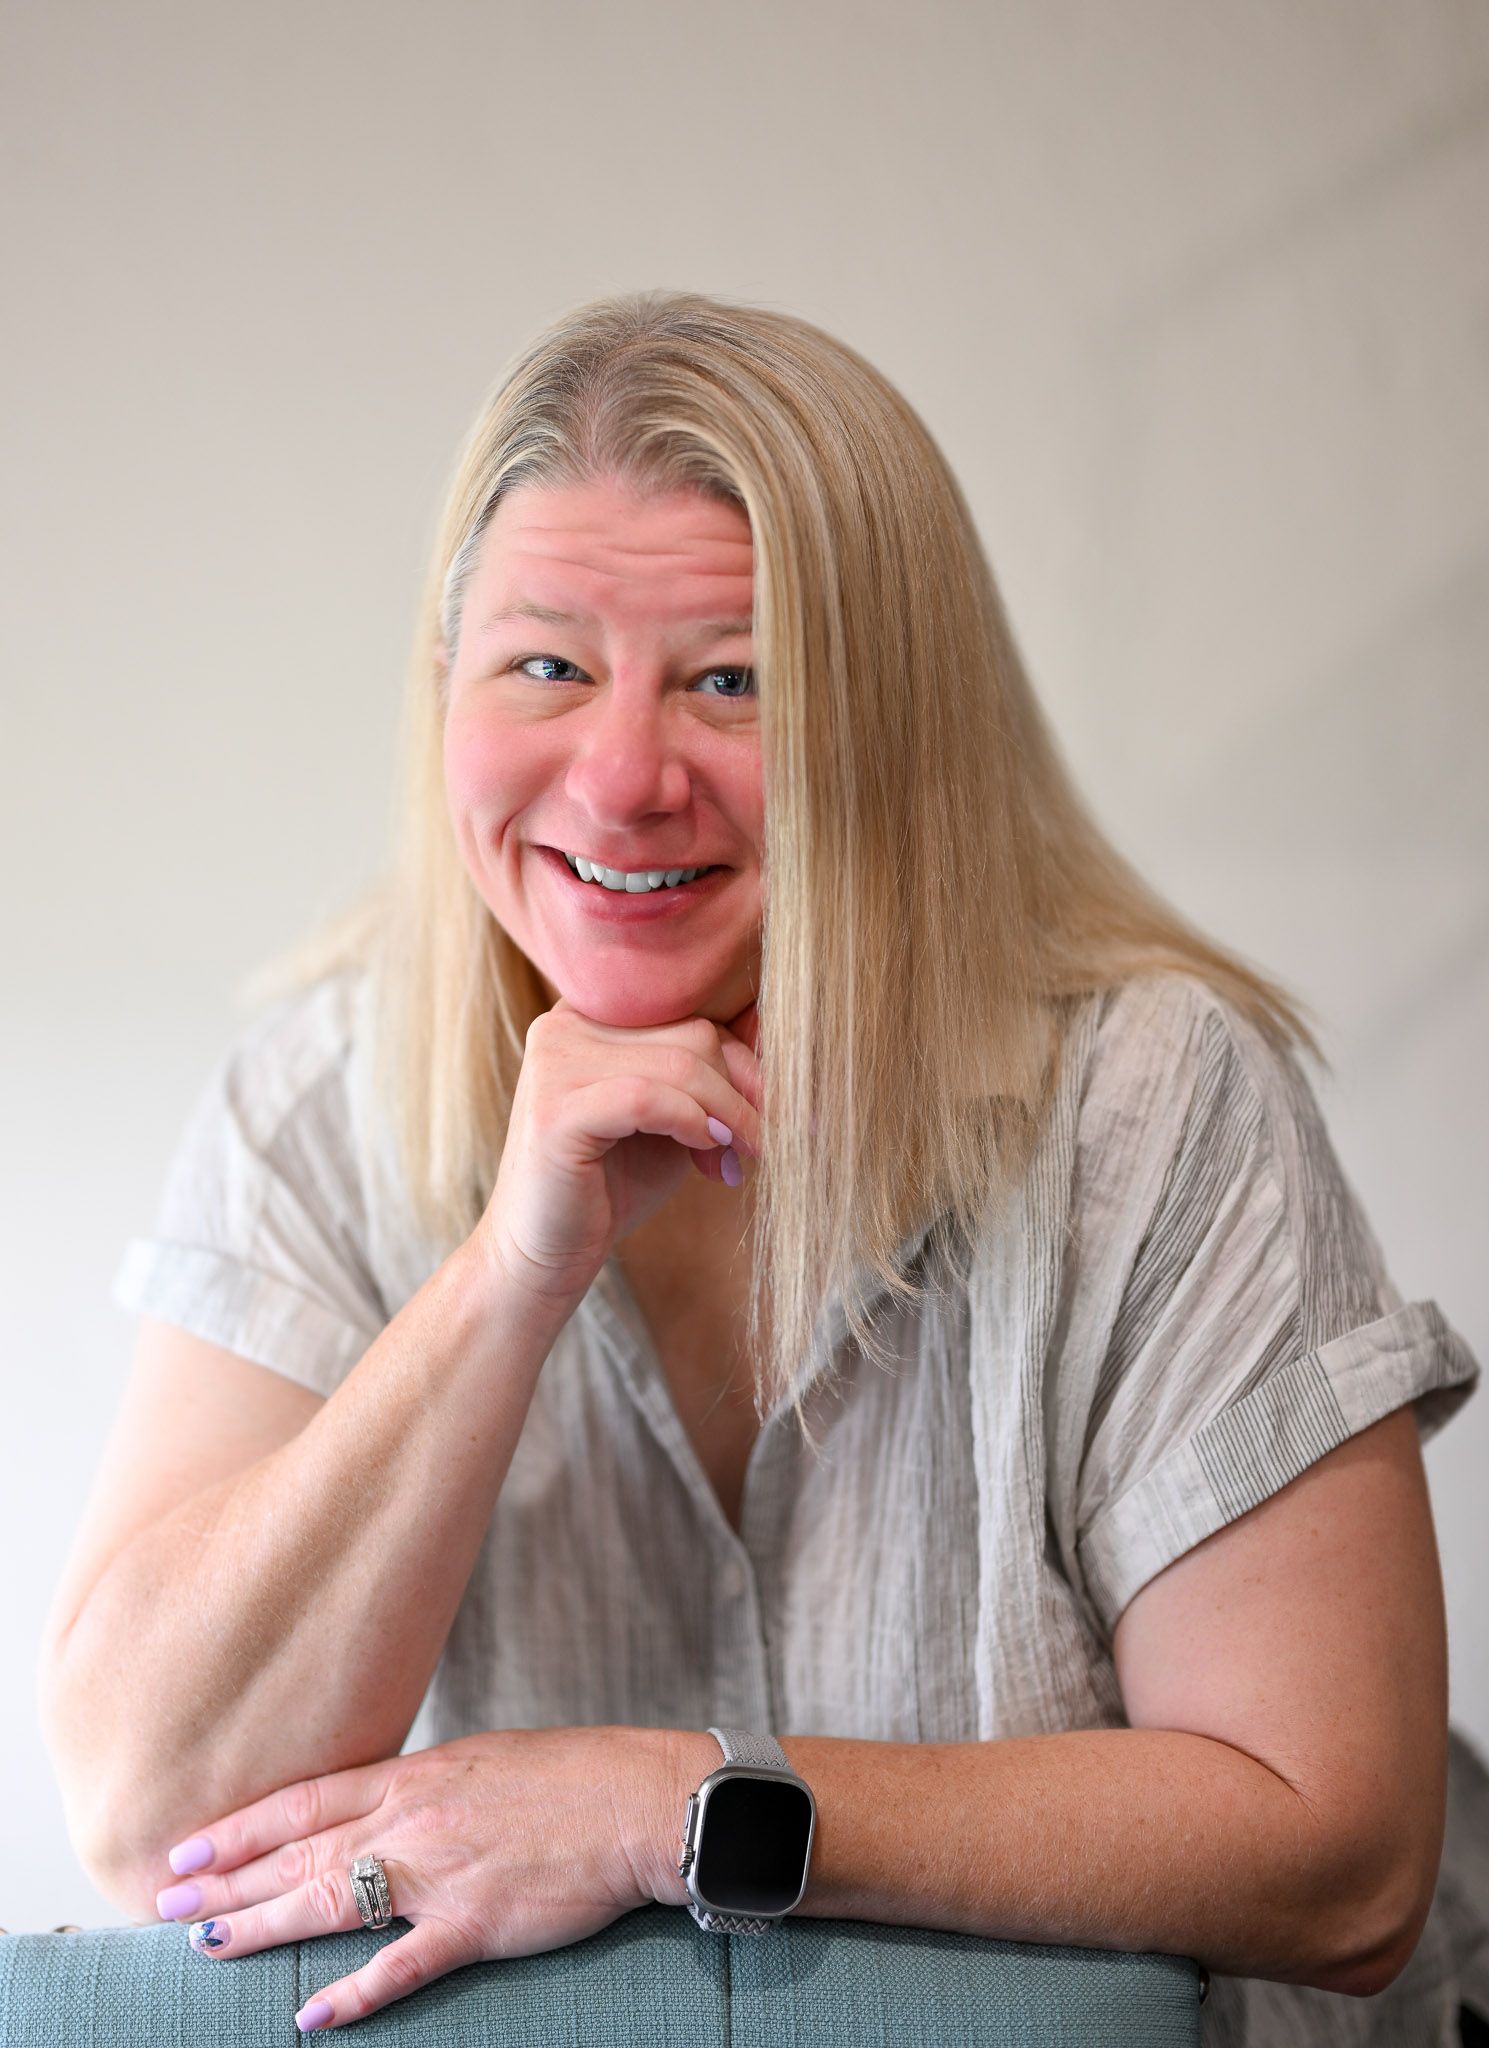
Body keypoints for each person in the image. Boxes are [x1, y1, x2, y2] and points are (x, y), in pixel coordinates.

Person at [38, 288, 1488, 2045]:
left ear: (902, 728)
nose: (620, 778)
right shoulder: (314, 1104)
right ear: (442, 692)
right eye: (546, 667)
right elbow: (153, 1823)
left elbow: (1339, 1859)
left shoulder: (1152, 1099)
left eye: (732, 680)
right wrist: (510, 1273)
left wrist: (673, 1807)